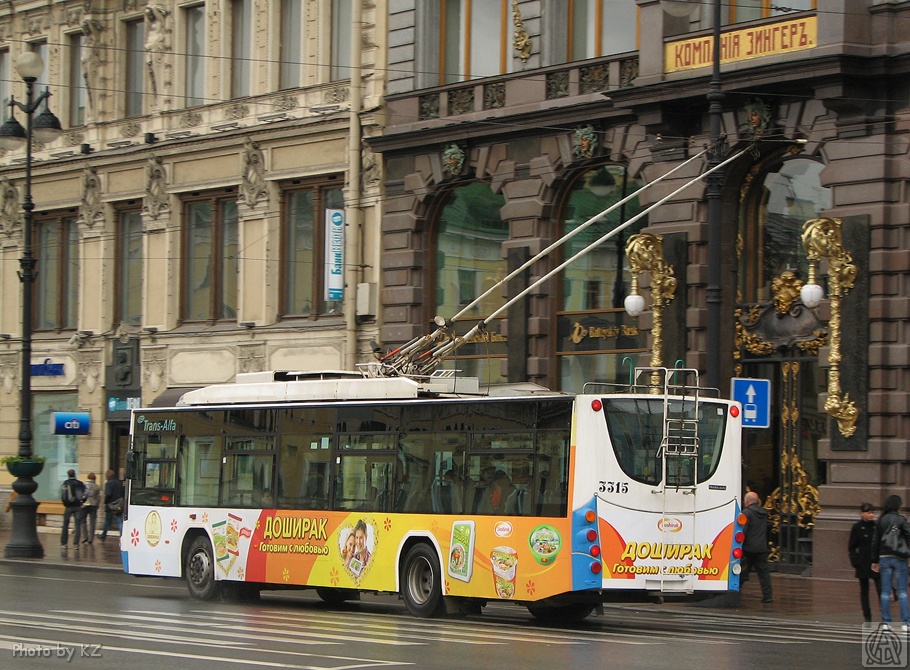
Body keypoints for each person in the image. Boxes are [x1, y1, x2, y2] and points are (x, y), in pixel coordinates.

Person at [872, 494, 910, 631]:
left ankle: (887, 623)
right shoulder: (901, 520)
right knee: (902, 592)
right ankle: (906, 623)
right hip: (900, 558)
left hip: (884, 557)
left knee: (885, 592)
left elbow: (875, 541)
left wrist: (874, 560)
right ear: (898, 506)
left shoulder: (881, 520)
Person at [849, 502, 882, 622]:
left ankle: (884, 614)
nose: (871, 515)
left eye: (872, 513)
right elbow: (852, 546)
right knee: (864, 590)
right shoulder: (857, 527)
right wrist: (855, 561)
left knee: (880, 589)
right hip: (862, 563)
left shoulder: (876, 527)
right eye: (868, 513)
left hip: (875, 563)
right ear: (862, 513)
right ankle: (867, 616)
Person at [741, 491, 773, 603]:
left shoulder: (746, 513)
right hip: (761, 548)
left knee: (742, 572)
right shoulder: (763, 513)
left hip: (749, 548)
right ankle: (767, 595)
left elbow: (743, 530)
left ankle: (735, 593)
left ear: (747, 501)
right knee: (764, 574)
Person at [60, 469, 86, 550]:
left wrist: (65, 503)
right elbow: (86, 492)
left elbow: (63, 495)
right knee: (77, 525)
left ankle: (64, 543)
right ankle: (76, 544)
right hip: (78, 506)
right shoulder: (80, 483)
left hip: (68, 507)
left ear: (68, 475)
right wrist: (83, 501)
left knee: (65, 525)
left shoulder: (65, 483)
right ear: (75, 474)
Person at [98, 469, 124, 542]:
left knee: (108, 521)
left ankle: (103, 535)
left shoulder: (108, 483)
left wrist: (105, 501)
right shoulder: (119, 483)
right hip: (119, 504)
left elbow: (108, 494)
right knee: (119, 520)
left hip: (110, 504)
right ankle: (122, 535)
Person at [79, 472, 101, 545]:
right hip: (93, 505)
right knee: (92, 522)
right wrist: (97, 505)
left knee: (83, 521)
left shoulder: (83, 485)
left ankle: (85, 536)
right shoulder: (97, 487)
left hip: (85, 505)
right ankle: (91, 538)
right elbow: (98, 497)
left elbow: (81, 495)